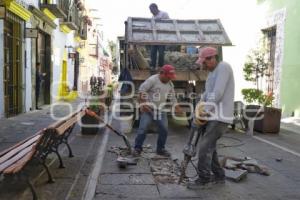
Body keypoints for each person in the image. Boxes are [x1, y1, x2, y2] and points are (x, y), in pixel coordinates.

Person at [187, 47, 235, 188]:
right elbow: (207, 94)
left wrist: (205, 110)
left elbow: (218, 93)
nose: (203, 65)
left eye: (205, 62)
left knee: (204, 148)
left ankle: (204, 179)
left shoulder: (223, 67)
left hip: (220, 116)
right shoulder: (212, 73)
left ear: (213, 58)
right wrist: (199, 108)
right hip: (213, 115)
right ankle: (219, 176)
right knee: (210, 148)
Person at [133, 64, 183, 157]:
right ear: (162, 73)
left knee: (164, 129)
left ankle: (160, 149)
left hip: (160, 110)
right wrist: (143, 103)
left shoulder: (170, 84)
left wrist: (178, 108)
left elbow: (173, 98)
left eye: (171, 77)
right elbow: (141, 91)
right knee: (143, 129)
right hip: (148, 109)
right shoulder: (152, 80)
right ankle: (137, 148)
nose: (170, 79)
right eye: (168, 77)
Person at [149, 3, 169, 71]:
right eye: (150, 10)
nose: (151, 12)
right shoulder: (152, 17)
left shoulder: (164, 14)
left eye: (151, 10)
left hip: (162, 38)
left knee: (161, 53)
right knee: (152, 52)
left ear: (156, 8)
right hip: (154, 38)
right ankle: (152, 66)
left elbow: (169, 24)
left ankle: (161, 66)